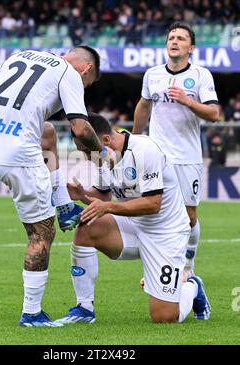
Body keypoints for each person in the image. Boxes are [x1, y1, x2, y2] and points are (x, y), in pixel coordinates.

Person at [0, 46, 106, 327]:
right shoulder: (69, 73)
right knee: (42, 233)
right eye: (88, 84)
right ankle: (31, 313)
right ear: (87, 70)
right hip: (18, 157)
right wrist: (103, 156)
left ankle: (64, 205)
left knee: (46, 132)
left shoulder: (19, 55)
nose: (84, 86)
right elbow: (81, 129)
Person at [55, 113, 211, 325]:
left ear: (106, 141)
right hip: (133, 227)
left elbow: (152, 204)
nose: (84, 156)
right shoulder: (104, 157)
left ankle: (192, 286)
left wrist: (108, 207)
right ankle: (84, 308)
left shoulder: (144, 150)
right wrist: (82, 195)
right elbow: (103, 195)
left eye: (85, 151)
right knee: (86, 227)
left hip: (166, 234)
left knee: (164, 318)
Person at [133, 22, 219, 276]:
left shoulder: (201, 75)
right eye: (171, 37)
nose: (175, 41)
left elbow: (214, 113)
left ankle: (188, 265)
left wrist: (187, 100)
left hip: (186, 156)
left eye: (181, 38)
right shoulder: (153, 74)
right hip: (157, 156)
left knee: (188, 215)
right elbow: (144, 106)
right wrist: (135, 141)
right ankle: (164, 266)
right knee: (154, 211)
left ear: (191, 48)